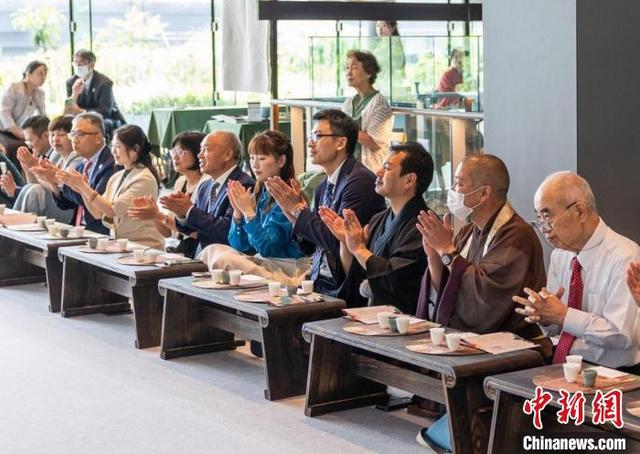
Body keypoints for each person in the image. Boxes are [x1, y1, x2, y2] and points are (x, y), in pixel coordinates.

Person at [414, 154, 547, 452]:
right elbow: (449, 287)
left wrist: (447, 251)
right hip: (474, 334)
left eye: (459, 183)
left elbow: (487, 298)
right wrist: (434, 257)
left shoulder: (517, 235)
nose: (453, 190)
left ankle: (463, 428)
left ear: (484, 193)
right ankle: (446, 417)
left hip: (511, 342)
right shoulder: (470, 229)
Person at [514, 171, 640, 370]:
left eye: (547, 216)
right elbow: (557, 328)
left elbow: (620, 335)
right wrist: (545, 315)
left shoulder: (624, 256)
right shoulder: (560, 254)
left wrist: (564, 315)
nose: (543, 227)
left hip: (613, 373)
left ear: (580, 212)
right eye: (539, 218)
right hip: (564, 364)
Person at [266, 109, 386, 298]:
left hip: (348, 290)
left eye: (318, 136)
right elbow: (312, 245)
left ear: (341, 143)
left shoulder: (359, 181)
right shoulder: (323, 185)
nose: (310, 143)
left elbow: (337, 240)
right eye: (310, 136)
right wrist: (293, 216)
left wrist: (298, 211)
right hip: (320, 282)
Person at [320, 142, 433, 312]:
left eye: (387, 168)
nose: (378, 173)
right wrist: (346, 243)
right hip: (372, 315)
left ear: (409, 180)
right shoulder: (378, 220)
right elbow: (358, 277)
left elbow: (395, 280)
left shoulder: (425, 226)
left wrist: (359, 250)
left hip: (404, 319)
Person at [200, 130, 309, 284]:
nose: (255, 165)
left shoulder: (289, 196)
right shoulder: (260, 193)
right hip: (264, 264)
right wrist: (238, 213)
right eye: (252, 158)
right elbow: (241, 246)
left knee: (224, 259)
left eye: (262, 158)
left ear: (281, 161)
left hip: (287, 270)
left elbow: (268, 248)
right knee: (213, 249)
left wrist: (249, 213)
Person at [56, 125, 163, 249]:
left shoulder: (144, 179)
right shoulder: (116, 177)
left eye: (118, 147)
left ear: (135, 149)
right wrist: (81, 189)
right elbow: (97, 213)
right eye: (112, 146)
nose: (113, 152)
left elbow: (112, 210)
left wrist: (83, 186)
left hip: (144, 246)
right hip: (123, 245)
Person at [168, 131, 254, 253]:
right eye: (200, 150)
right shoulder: (205, 186)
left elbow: (227, 232)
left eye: (206, 149)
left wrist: (189, 210)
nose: (199, 155)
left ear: (227, 154)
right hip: (201, 256)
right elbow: (194, 228)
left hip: (226, 258)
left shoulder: (242, 185)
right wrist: (182, 214)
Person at [30, 112, 116, 234]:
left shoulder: (110, 164)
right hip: (79, 228)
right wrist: (54, 183)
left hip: (99, 232)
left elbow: (98, 207)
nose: (74, 140)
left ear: (98, 138)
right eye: (73, 134)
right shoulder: (83, 163)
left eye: (80, 134)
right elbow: (67, 204)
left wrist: (59, 179)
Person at [128, 131, 209, 257]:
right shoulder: (180, 182)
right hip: (180, 249)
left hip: (200, 251)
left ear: (198, 152)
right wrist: (153, 215)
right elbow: (168, 232)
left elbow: (197, 233)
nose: (175, 157)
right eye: (173, 152)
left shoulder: (207, 183)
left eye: (180, 152)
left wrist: (158, 215)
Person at [1, 115, 82, 221]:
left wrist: (34, 167)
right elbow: (34, 184)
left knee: (35, 191)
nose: (55, 139)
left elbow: (63, 193)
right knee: (33, 189)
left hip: (69, 209)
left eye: (61, 135)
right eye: (52, 135)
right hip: (56, 205)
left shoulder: (77, 159)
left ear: (72, 136)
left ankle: (15, 224)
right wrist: (28, 167)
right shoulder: (56, 155)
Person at [341, 50, 393, 173]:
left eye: (354, 67)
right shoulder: (349, 102)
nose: (348, 72)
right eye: (347, 68)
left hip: (369, 170)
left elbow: (374, 143)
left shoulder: (379, 104)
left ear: (369, 73)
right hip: (346, 167)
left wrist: (346, 129)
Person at [64, 49, 125, 140]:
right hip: (80, 118)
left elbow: (105, 111)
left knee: (98, 125)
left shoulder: (104, 83)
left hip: (107, 118)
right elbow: (68, 110)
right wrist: (74, 94)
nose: (78, 66)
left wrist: (82, 112)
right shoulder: (71, 82)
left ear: (91, 64)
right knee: (65, 123)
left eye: (81, 63)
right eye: (75, 63)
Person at [0, 61, 48, 168]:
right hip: (4, 131)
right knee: (13, 148)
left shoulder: (39, 93)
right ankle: (11, 174)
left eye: (45, 73)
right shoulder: (14, 88)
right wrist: (17, 132)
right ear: (28, 74)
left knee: (35, 143)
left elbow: (42, 115)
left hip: (21, 131)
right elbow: (4, 112)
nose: (43, 77)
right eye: (40, 73)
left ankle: (34, 171)